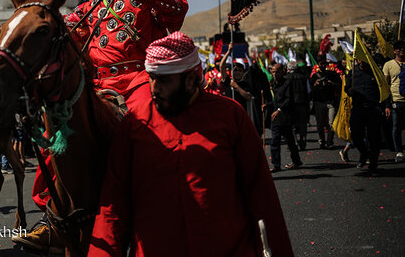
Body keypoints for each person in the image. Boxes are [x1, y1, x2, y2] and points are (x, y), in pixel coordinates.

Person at [15, 0, 188, 253]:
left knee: (145, 127)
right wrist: (26, 1)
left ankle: (160, 203)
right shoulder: (86, 8)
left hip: (137, 80)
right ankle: (53, 222)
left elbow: (179, 6)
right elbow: (54, 32)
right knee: (57, 130)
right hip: (95, 86)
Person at [88, 32, 293, 256]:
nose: (154, 88)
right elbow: (113, 203)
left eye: (164, 80)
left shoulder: (230, 117)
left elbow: (261, 195)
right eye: (151, 77)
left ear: (190, 79)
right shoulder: (134, 124)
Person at [346, 60, 385, 175]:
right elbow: (346, 88)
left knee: (374, 138)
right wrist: (350, 91)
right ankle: (363, 153)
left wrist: (385, 106)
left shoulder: (376, 72)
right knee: (356, 135)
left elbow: (383, 89)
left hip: (373, 109)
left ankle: (373, 165)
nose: (361, 63)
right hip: (358, 108)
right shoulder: (353, 72)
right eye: (359, 60)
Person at [269, 63, 303, 172]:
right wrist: (267, 105)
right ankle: (276, 165)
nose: (275, 74)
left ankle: (296, 161)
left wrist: (279, 110)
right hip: (276, 119)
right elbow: (275, 100)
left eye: (277, 71)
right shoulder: (273, 84)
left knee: (290, 142)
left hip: (286, 117)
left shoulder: (287, 83)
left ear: (283, 71)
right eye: (273, 72)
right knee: (274, 141)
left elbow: (289, 99)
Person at [310, 55, 343, 148]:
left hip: (331, 101)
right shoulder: (314, 76)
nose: (323, 65)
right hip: (319, 102)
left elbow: (340, 85)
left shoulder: (332, 74)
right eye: (321, 64)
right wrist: (316, 84)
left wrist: (331, 83)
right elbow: (310, 91)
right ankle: (322, 141)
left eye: (325, 63)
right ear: (318, 64)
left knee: (332, 123)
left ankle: (329, 141)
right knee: (320, 124)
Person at [383, 40, 405, 162]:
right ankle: (399, 151)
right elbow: (386, 85)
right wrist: (387, 104)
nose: (402, 51)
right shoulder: (389, 65)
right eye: (399, 49)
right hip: (396, 100)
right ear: (395, 51)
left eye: (403, 48)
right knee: (396, 127)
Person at [286, 60, 311, 150]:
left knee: (292, 125)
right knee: (302, 124)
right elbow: (308, 91)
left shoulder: (287, 78)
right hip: (303, 104)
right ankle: (303, 140)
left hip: (291, 105)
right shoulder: (304, 78)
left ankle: (295, 142)